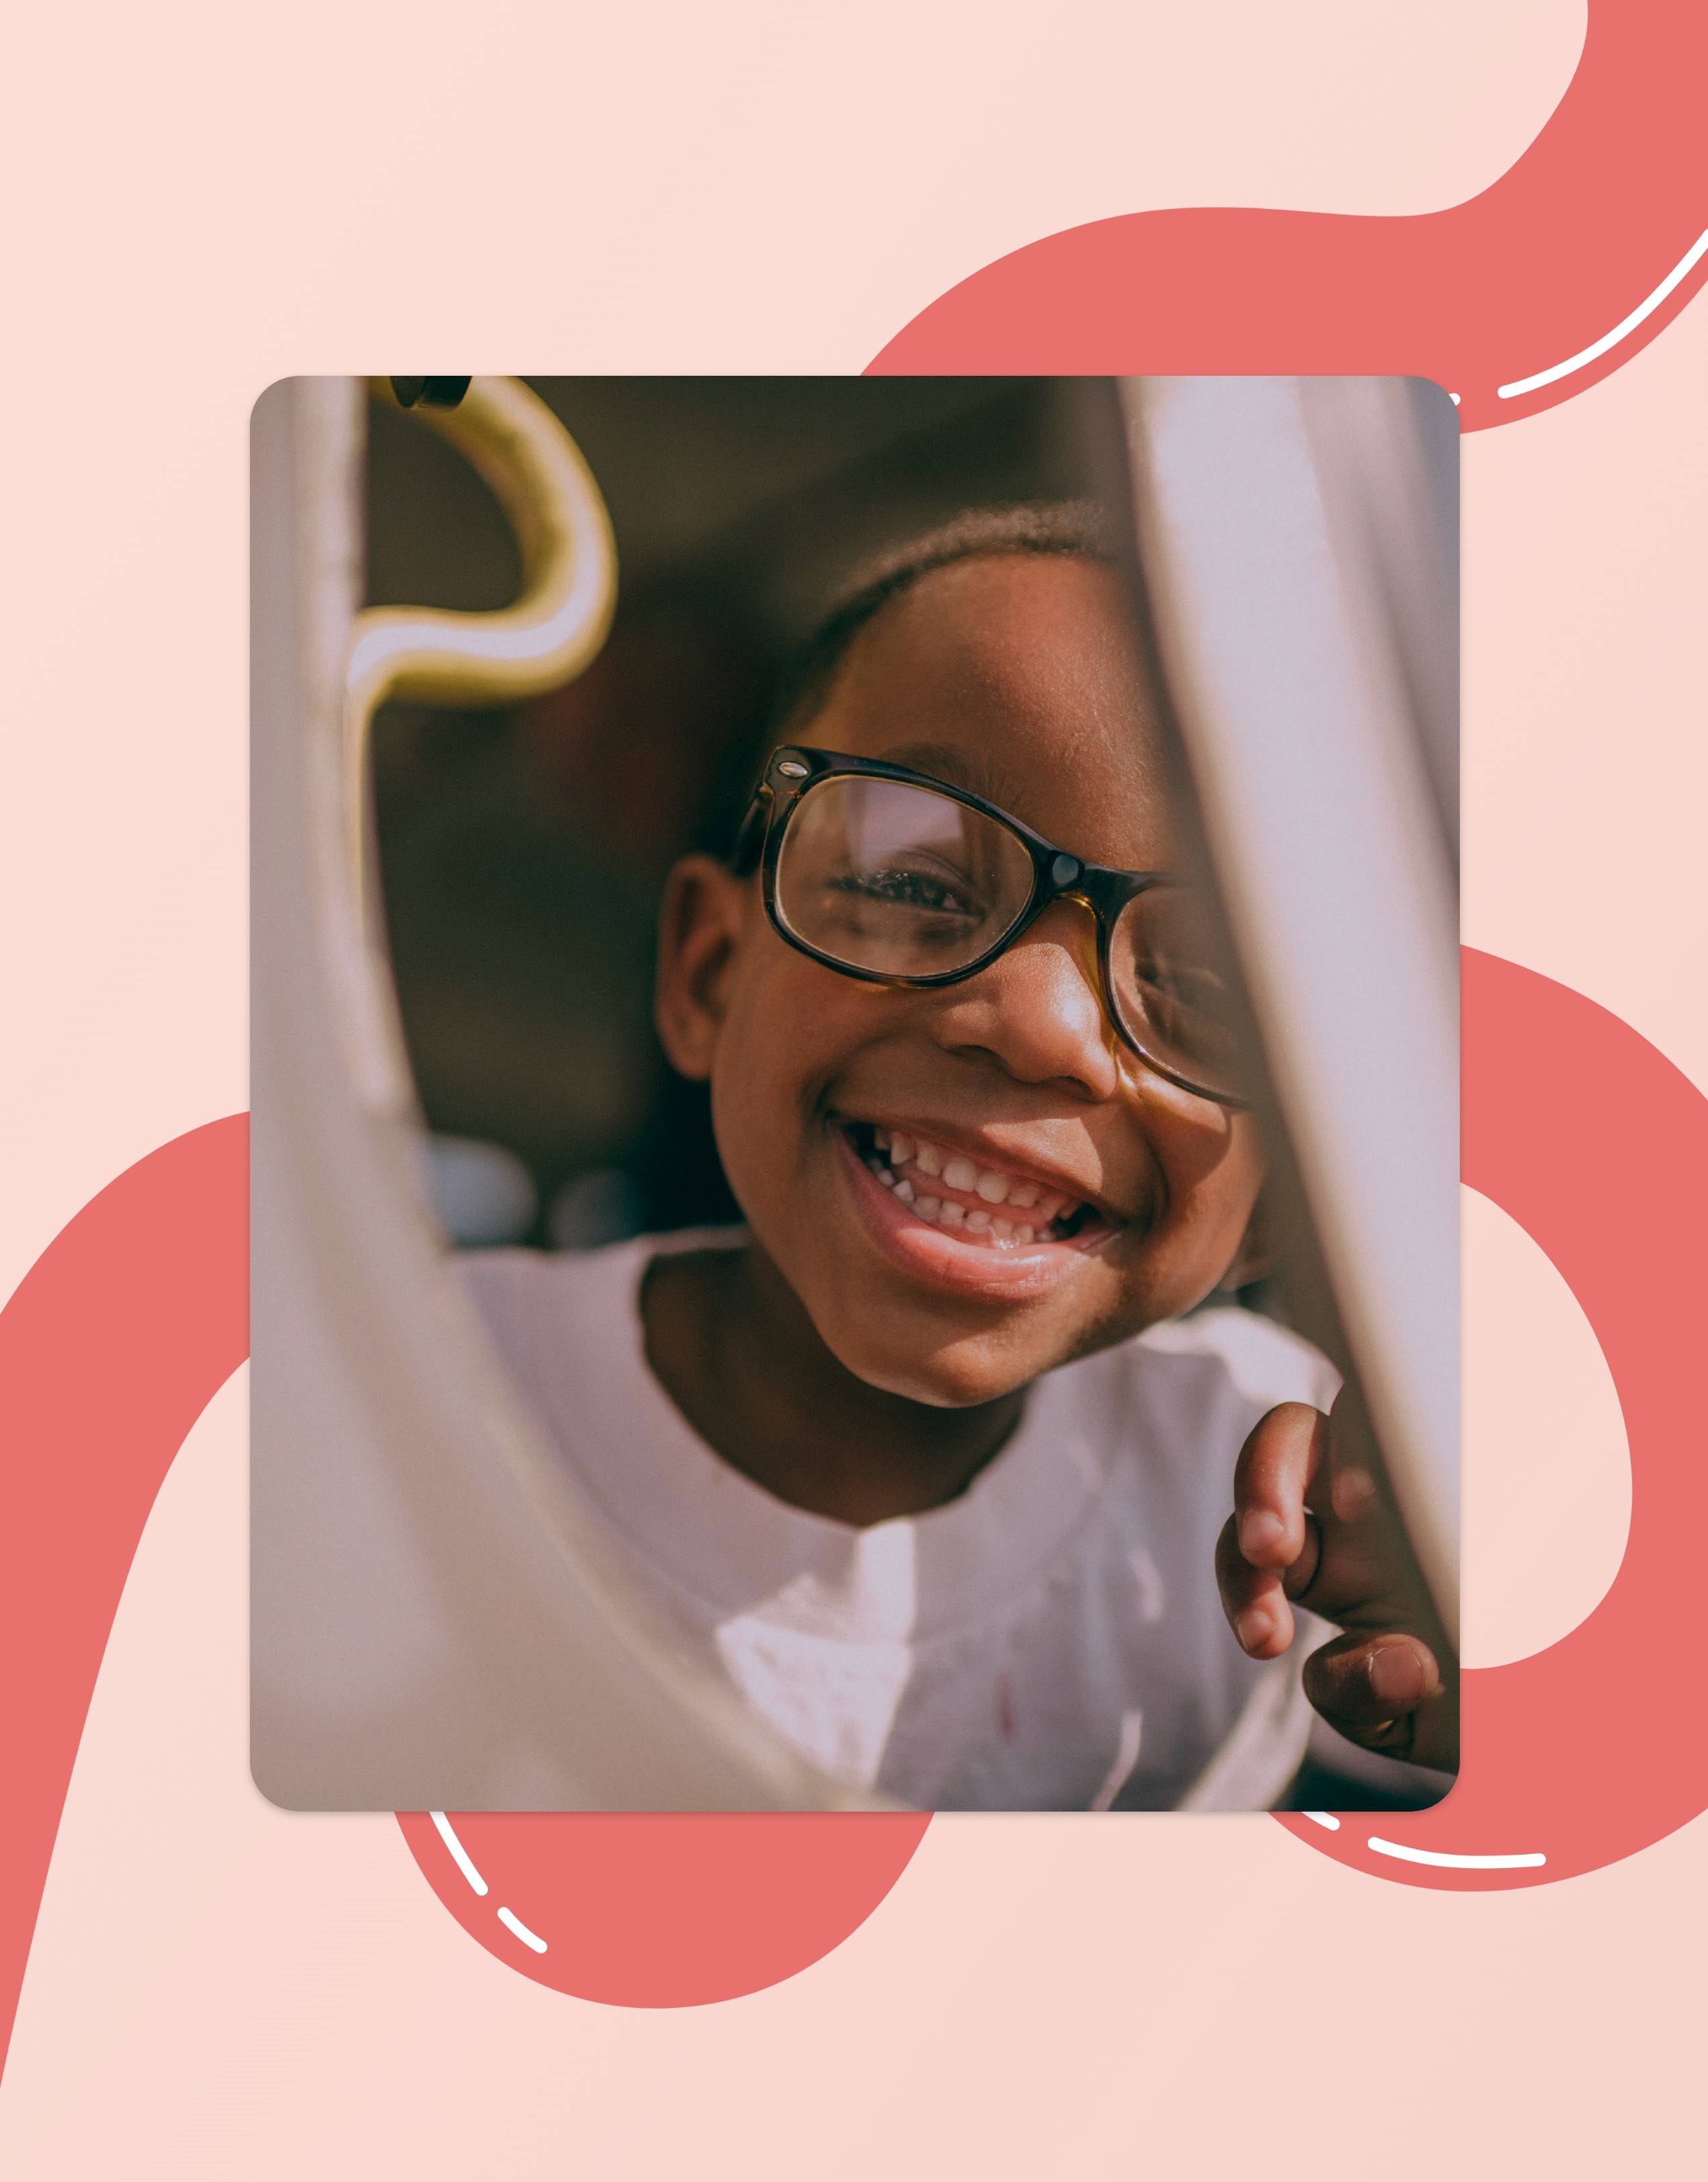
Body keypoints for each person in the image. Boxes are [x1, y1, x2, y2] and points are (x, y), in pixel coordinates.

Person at [462, 505, 1457, 1810]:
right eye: (917, 882)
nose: (1042, 1027)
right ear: (707, 974)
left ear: (1288, 1194)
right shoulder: (403, 1383)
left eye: (1208, 989)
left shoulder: (1281, 1506)